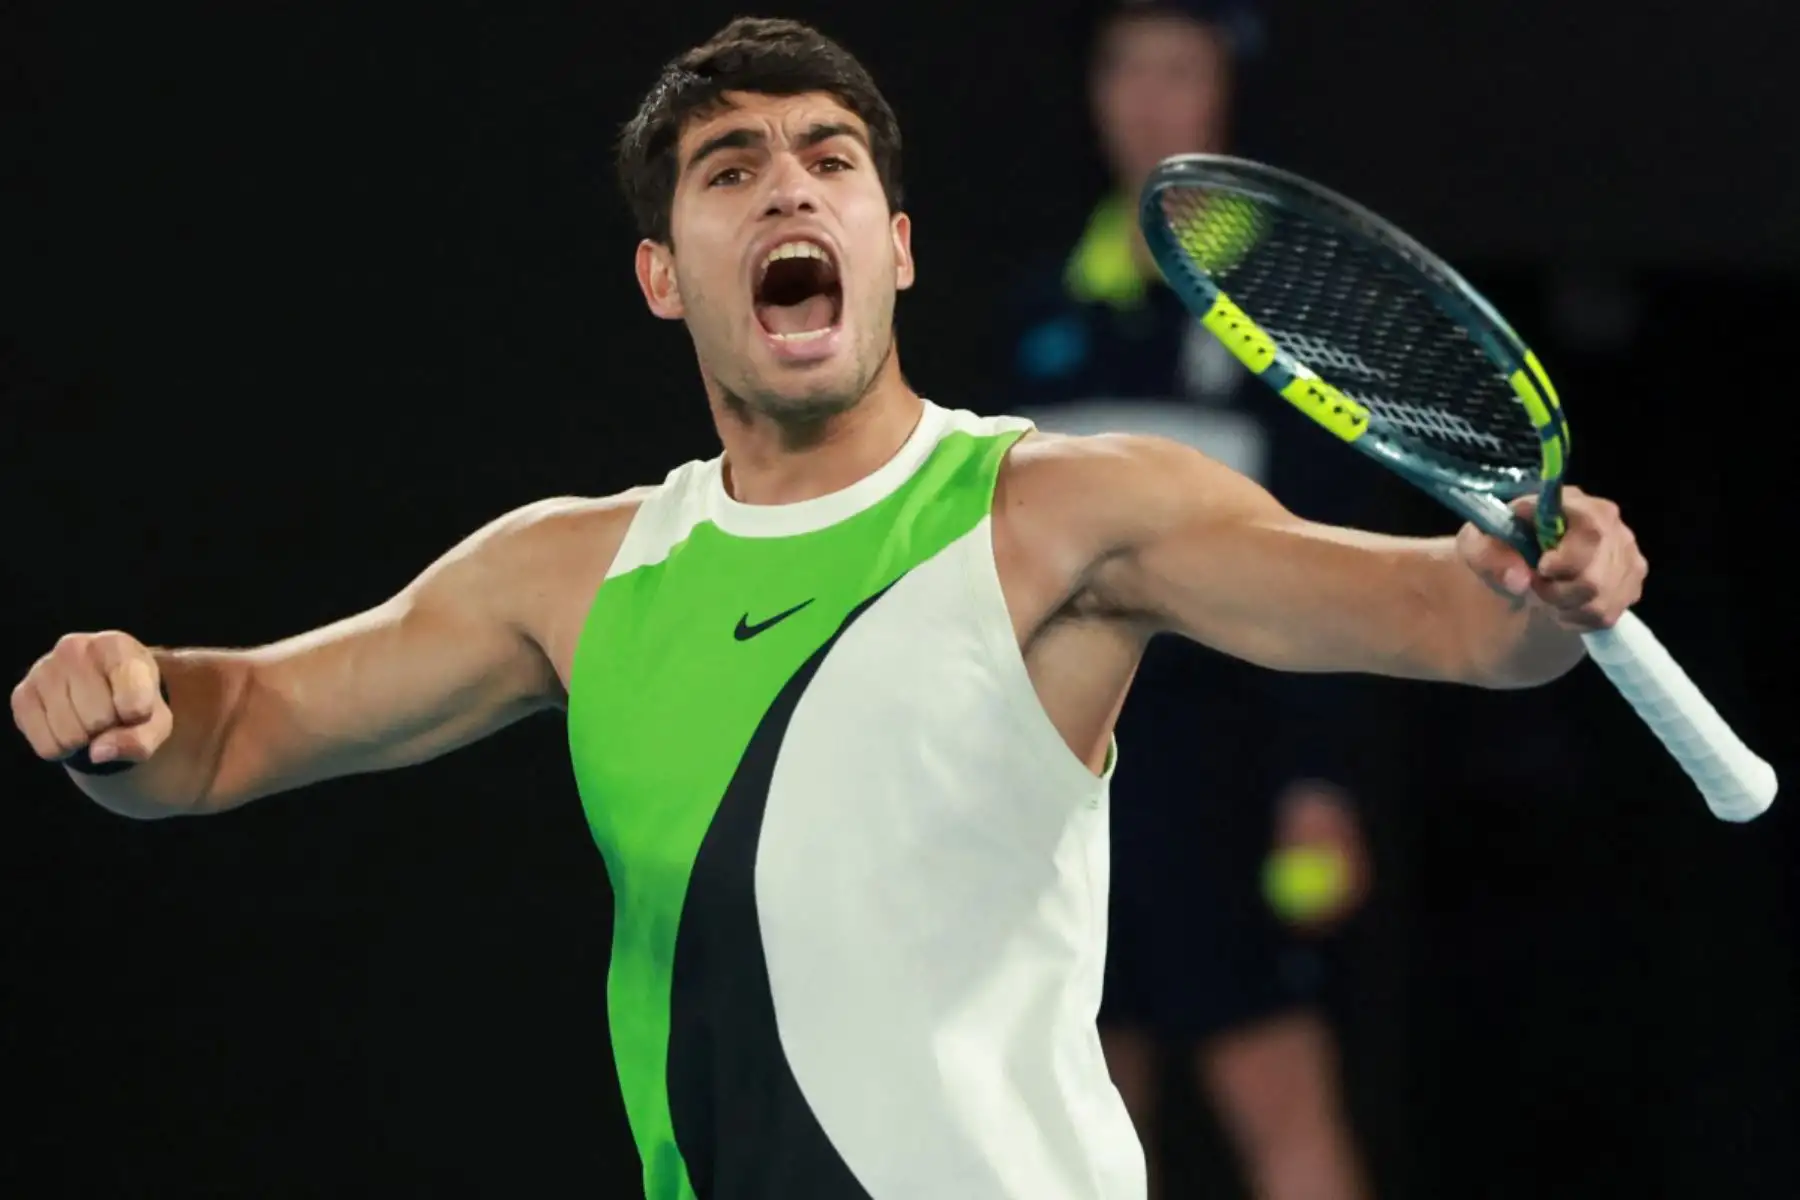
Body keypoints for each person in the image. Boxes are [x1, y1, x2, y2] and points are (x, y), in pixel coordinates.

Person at [10, 17, 1647, 1200]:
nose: (791, 194)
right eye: (733, 171)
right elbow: (222, 736)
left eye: (830, 162)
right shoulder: (573, 571)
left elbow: (1449, 624)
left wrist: (1539, 584)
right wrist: (121, 705)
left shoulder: (1061, 510)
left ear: (897, 244)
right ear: (667, 272)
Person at [998, 2, 1377, 1195]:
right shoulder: (1040, 315)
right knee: (1088, 1124)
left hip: (1232, 772)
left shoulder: (1289, 311)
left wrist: (1320, 780)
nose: (1152, 99)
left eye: (1182, 68)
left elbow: (1337, 567)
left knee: (1283, 1104)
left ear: (1225, 92)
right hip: (1070, 783)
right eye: (1128, 68)